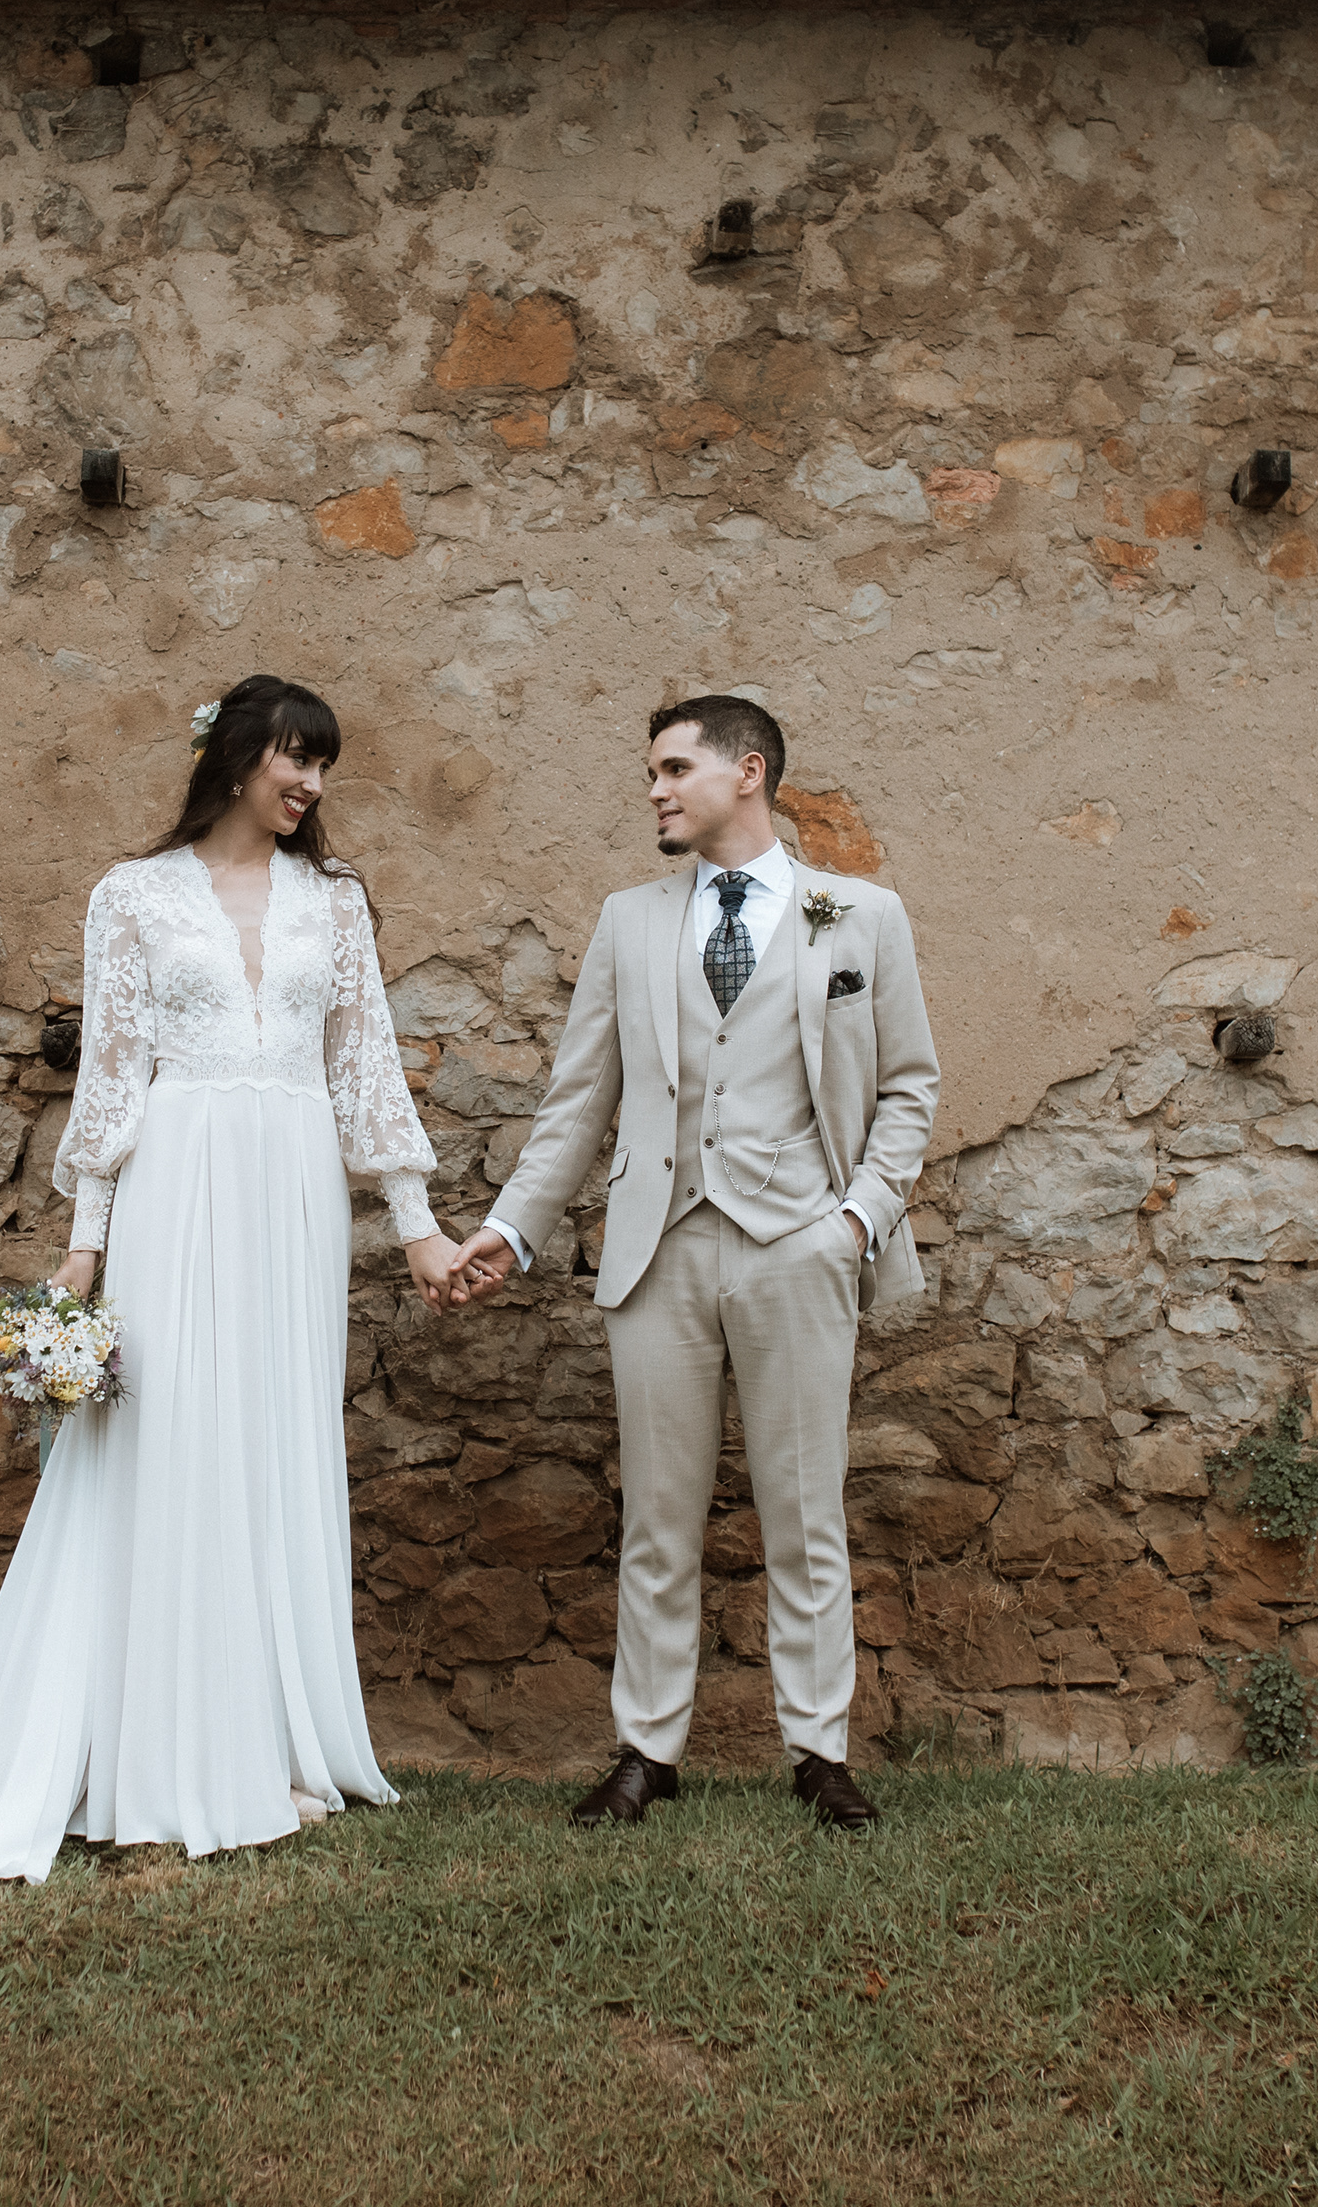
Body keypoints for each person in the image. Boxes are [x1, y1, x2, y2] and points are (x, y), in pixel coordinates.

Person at [0, 676, 475, 1920]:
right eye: (296, 758)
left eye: (323, 766)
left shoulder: (336, 901)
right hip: (177, 1185)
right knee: (171, 1445)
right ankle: (163, 1749)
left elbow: (366, 1067)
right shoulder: (130, 897)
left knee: (272, 1443)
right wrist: (85, 1251)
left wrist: (418, 1229)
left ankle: (268, 1739)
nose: (312, 784)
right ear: (236, 756)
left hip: (295, 1192)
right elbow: (113, 1080)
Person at [449, 696, 939, 1833]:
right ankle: (646, 1752)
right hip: (657, 1249)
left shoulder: (861, 915)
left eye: (674, 769)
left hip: (800, 1245)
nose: (656, 790)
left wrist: (856, 1223)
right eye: (653, 774)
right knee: (657, 1518)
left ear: (747, 771)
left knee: (804, 1514)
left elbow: (910, 1085)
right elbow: (581, 1097)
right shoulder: (628, 920)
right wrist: (512, 1229)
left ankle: (819, 1753)